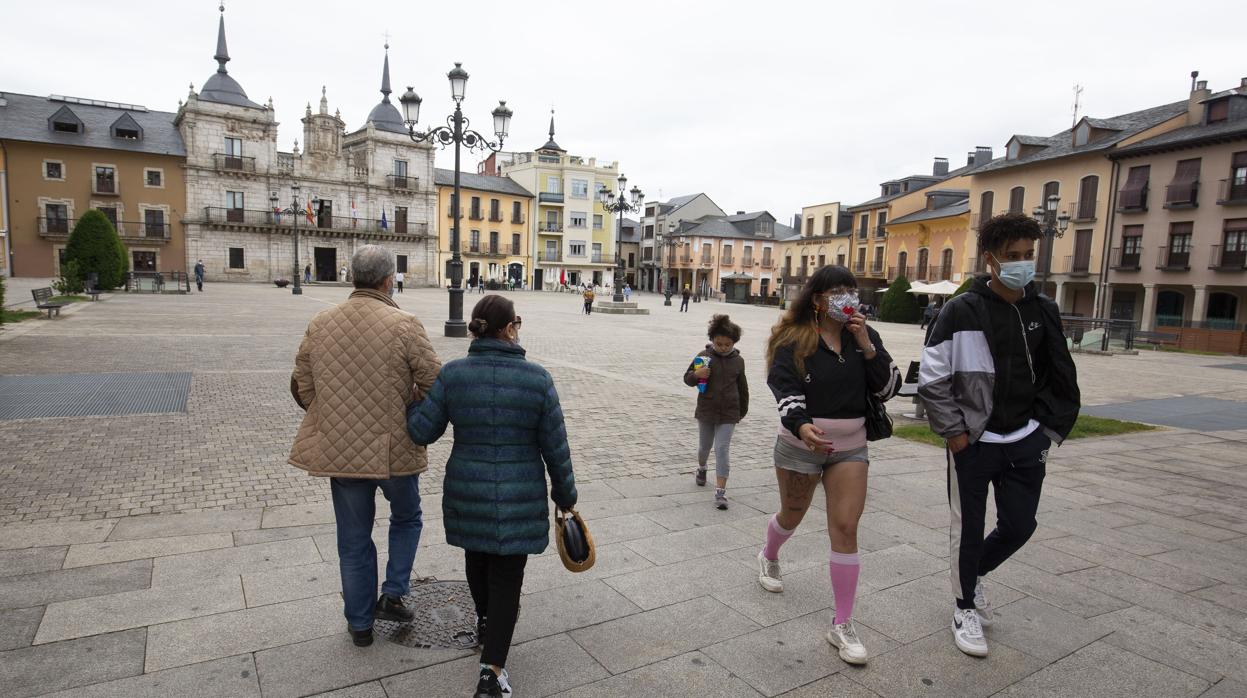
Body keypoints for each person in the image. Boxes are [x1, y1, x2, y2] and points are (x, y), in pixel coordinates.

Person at [918, 213, 1080, 658]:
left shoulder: (1042, 310)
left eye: (1029, 255)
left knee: (1019, 525)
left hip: (1027, 439)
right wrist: (955, 435)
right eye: (1013, 256)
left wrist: (1047, 432)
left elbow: (1059, 372)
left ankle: (972, 575)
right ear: (990, 260)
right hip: (973, 443)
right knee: (967, 529)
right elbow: (932, 378)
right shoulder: (961, 310)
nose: (1023, 264)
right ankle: (963, 605)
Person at [407, 295, 577, 698]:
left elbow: (421, 432)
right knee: (507, 577)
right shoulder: (538, 379)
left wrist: (414, 401)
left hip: (468, 488)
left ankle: (486, 622)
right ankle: (492, 673)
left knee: (476, 559)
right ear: (510, 327)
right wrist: (565, 494)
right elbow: (556, 446)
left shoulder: (454, 375)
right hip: (519, 494)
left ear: (476, 327)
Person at [288, 244, 441, 648]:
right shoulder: (405, 324)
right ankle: (392, 592)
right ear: (389, 279)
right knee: (407, 517)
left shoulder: (321, 322)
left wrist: (331, 416)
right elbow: (433, 385)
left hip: (342, 450)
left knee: (353, 539)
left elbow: (303, 383)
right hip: (395, 450)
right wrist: (412, 411)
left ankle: (360, 625)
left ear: (352, 277)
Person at [760, 264, 901, 666]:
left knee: (845, 527)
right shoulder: (793, 339)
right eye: (839, 291)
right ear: (818, 299)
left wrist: (867, 345)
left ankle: (842, 623)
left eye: (852, 290)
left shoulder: (864, 336)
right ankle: (769, 553)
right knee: (792, 515)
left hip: (851, 446)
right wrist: (801, 424)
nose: (848, 298)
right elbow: (783, 387)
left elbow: (890, 387)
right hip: (801, 446)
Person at [683, 314, 749, 509]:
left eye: (727, 344)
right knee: (705, 447)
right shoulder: (703, 357)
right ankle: (702, 467)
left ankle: (720, 492)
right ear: (712, 340)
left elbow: (743, 388)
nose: (723, 347)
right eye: (719, 343)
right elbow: (687, 379)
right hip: (707, 409)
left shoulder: (738, 361)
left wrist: (742, 410)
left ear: (733, 342)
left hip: (729, 412)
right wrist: (697, 374)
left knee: (722, 449)